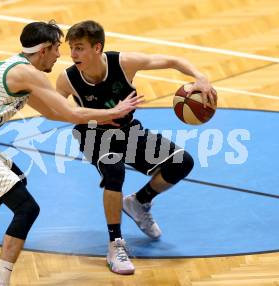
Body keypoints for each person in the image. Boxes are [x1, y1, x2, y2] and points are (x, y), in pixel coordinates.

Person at [0, 20, 142, 286]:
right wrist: (113, 112)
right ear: (43, 49)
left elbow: (53, 113)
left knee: (15, 180)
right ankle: (0, 282)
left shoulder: (21, 71)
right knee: (27, 208)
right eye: (57, 48)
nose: (60, 55)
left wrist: (101, 119)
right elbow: (71, 113)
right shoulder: (26, 73)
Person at [56, 20, 217, 275]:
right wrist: (104, 114)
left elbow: (173, 60)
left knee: (182, 162)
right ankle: (115, 244)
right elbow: (58, 112)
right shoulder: (68, 79)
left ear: (97, 48)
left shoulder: (124, 63)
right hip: (94, 135)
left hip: (128, 130)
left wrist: (201, 78)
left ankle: (139, 202)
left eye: (79, 48)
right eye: (72, 49)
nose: (73, 54)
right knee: (114, 172)